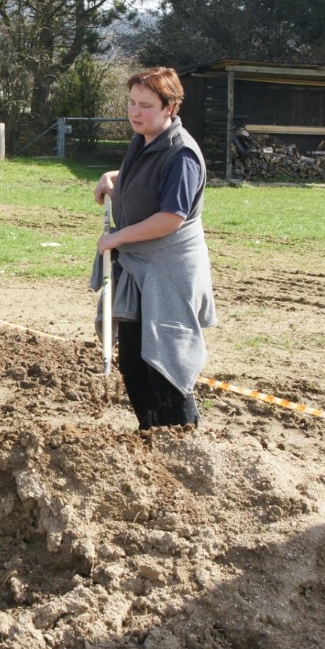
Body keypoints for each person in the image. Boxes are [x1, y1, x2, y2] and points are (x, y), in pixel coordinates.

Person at [91, 67, 217, 430]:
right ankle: (152, 437)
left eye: (145, 106)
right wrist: (113, 178)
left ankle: (185, 443)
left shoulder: (182, 155)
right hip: (139, 268)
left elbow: (171, 217)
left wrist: (117, 238)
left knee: (166, 365)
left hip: (169, 272)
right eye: (132, 103)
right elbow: (146, 179)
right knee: (133, 362)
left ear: (170, 108)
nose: (135, 112)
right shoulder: (143, 140)